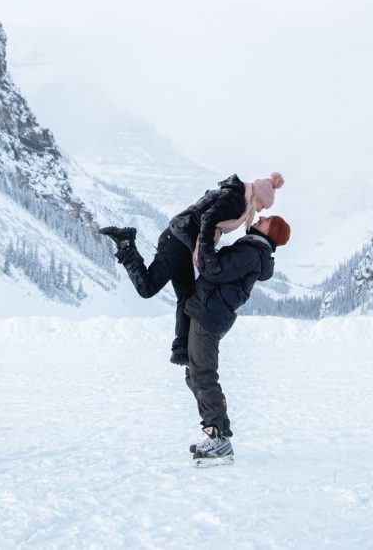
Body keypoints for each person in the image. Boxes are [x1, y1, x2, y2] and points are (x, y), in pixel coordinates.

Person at [99, 172, 284, 365]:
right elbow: (208, 218)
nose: (261, 211)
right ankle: (126, 244)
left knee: (187, 295)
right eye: (263, 205)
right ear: (257, 197)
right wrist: (208, 255)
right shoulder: (236, 200)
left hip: (182, 242)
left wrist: (204, 249)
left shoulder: (238, 198)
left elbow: (209, 222)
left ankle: (181, 349)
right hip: (176, 241)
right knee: (147, 288)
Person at [185, 214, 291, 466]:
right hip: (207, 311)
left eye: (266, 221)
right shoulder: (251, 249)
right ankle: (216, 431)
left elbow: (214, 270)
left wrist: (208, 229)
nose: (261, 217)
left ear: (270, 233)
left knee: (202, 374)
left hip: (210, 315)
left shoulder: (252, 253)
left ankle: (218, 437)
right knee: (195, 375)